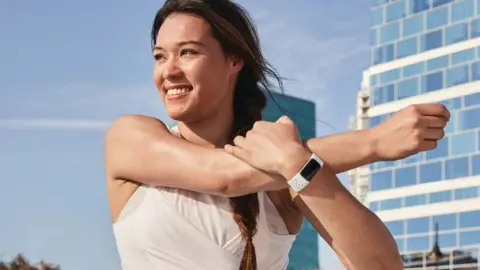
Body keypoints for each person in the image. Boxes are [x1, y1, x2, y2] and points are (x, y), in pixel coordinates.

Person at [104, 0, 450, 269]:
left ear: (234, 61)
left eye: (188, 52)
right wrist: (374, 141)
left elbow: (383, 266)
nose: (169, 70)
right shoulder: (130, 138)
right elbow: (224, 176)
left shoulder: (290, 174)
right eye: (159, 56)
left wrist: (300, 166)